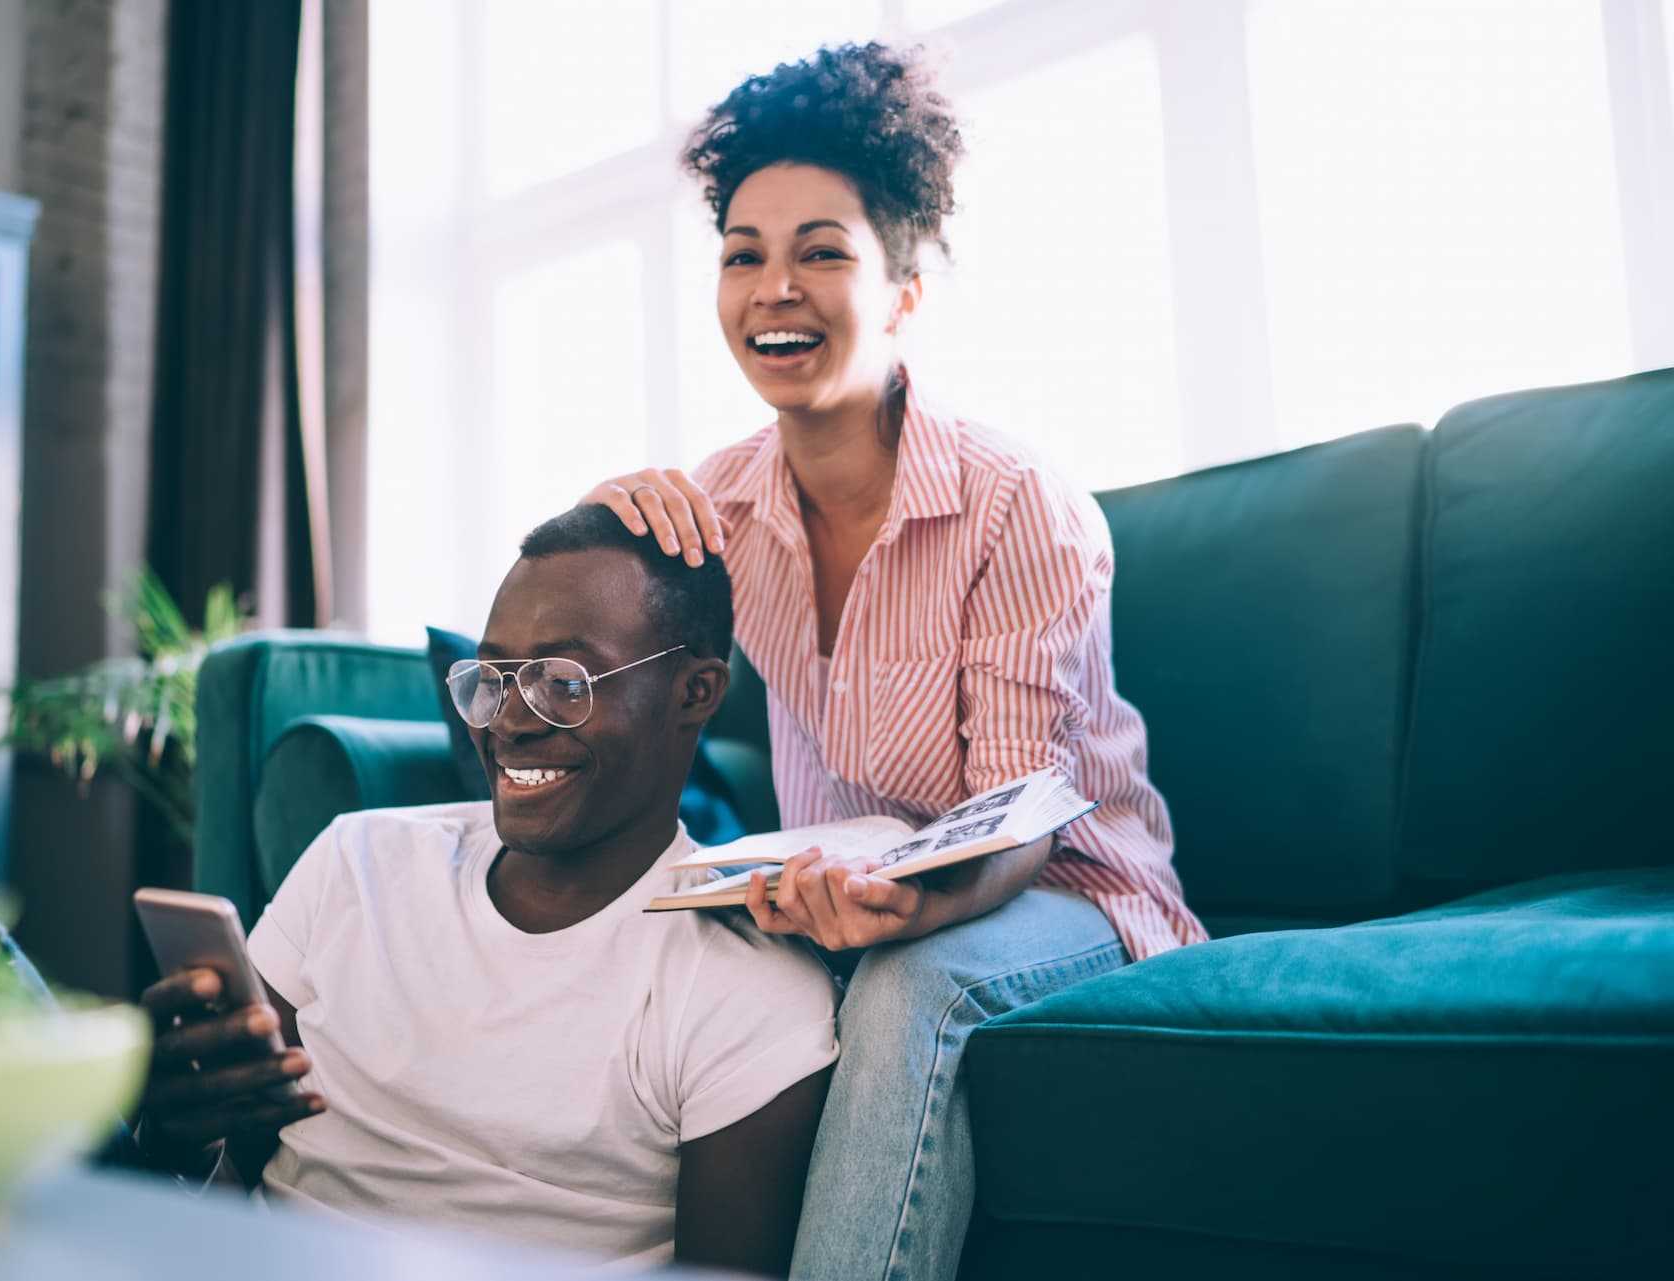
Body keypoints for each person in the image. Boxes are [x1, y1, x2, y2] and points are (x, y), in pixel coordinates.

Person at [582, 42, 1208, 1281]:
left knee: (905, 990)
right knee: (656, 961)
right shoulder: (716, 512)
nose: (776, 288)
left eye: (823, 251)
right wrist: (600, 529)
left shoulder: (1017, 502)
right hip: (840, 887)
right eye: (744, 254)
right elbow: (585, 677)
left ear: (905, 287)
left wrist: (908, 912)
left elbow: (1024, 816)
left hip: (1063, 895)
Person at [136, 505, 840, 1276]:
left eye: (564, 683)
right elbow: (217, 1170)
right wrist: (176, 1136)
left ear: (695, 691)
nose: (507, 722)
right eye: (492, 678)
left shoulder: (743, 985)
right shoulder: (356, 861)